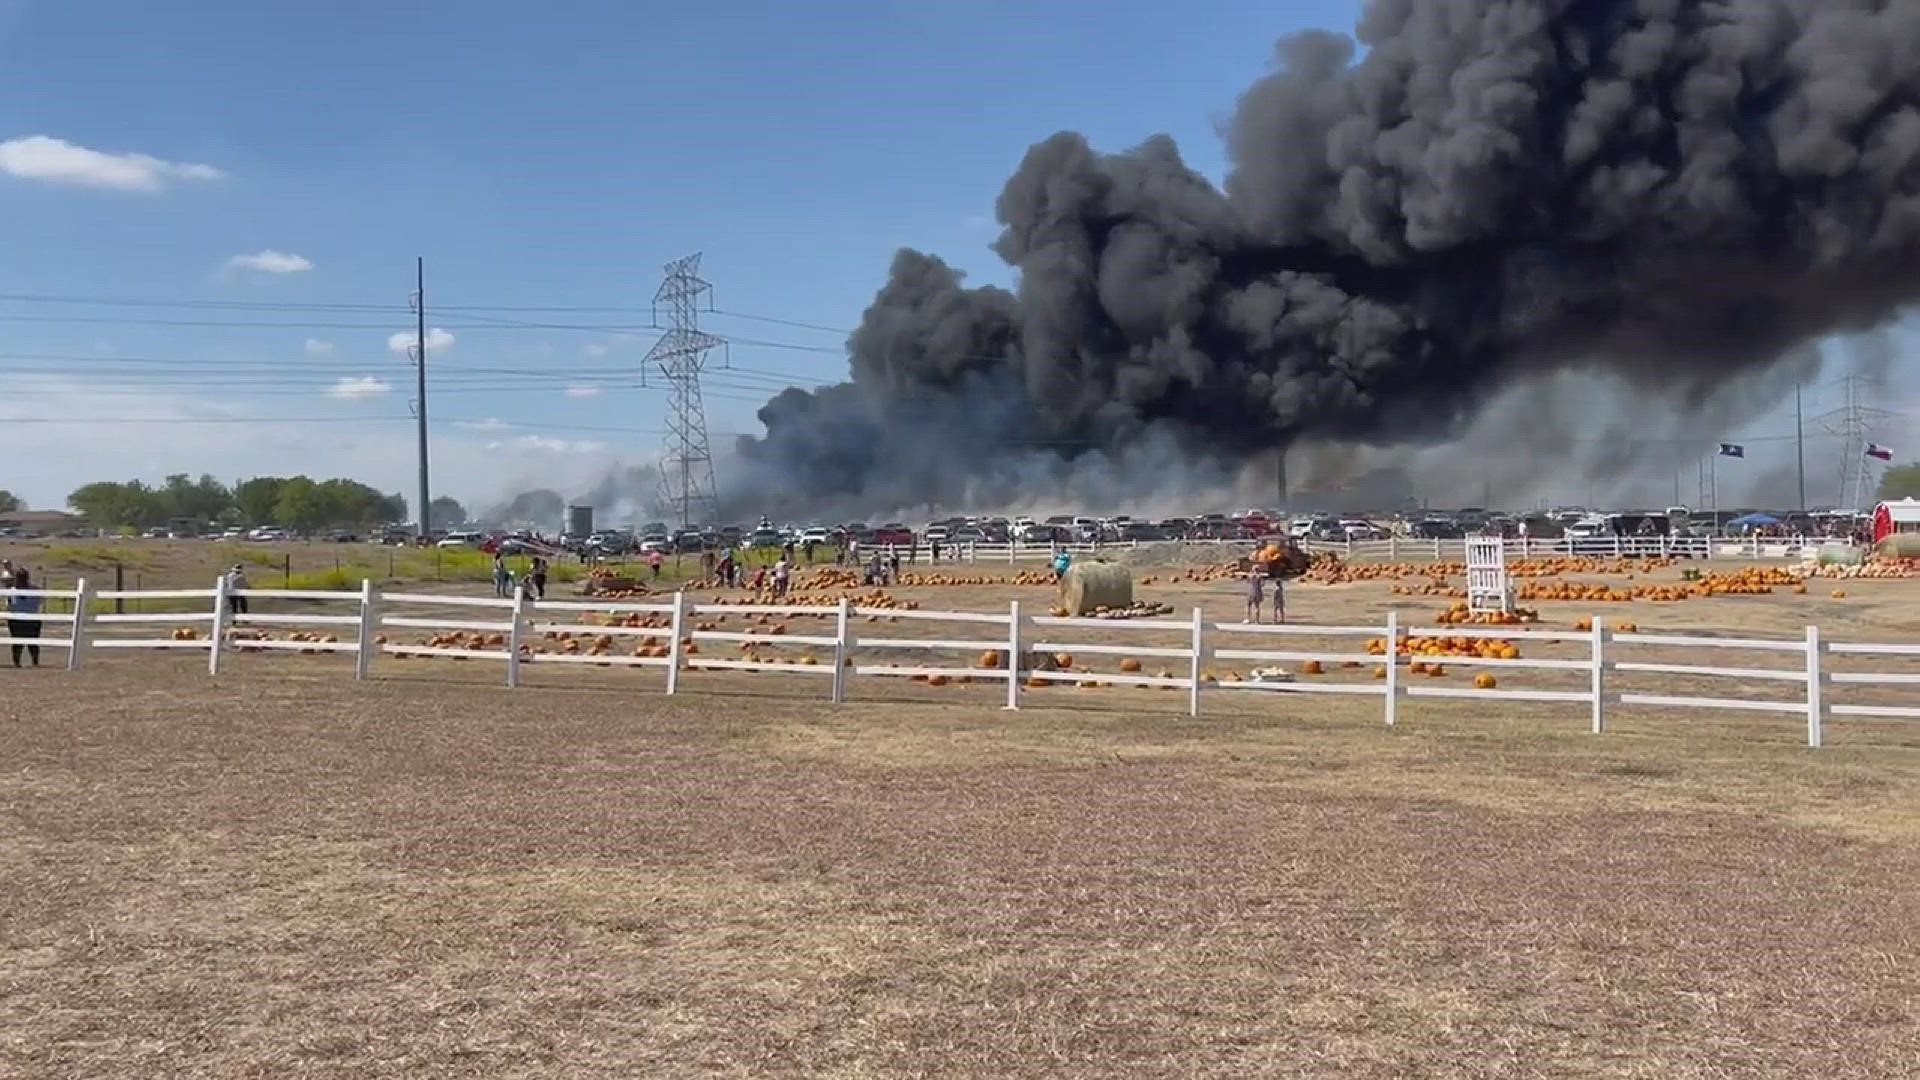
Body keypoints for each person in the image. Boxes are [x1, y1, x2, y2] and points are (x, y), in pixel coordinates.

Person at [7, 568, 41, 667]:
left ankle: (34, 661)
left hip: (30, 618)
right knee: (17, 642)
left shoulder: (34, 589)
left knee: (32, 642)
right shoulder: (12, 591)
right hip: (18, 619)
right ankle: (17, 661)